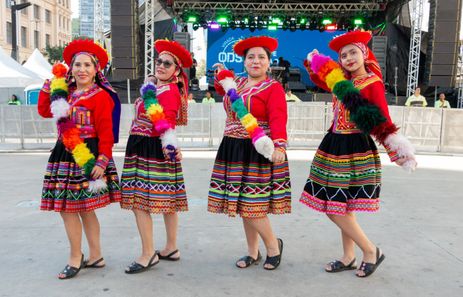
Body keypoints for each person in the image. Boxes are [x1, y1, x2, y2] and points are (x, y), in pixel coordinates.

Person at [302, 31, 416, 278]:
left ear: (364, 53)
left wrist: (398, 152)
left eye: (353, 52)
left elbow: (381, 121)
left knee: (335, 209)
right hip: (333, 144)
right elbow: (320, 79)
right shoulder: (340, 81)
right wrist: (314, 61)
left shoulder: (371, 83)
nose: (349, 58)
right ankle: (348, 256)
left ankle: (371, 250)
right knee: (343, 207)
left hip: (355, 148)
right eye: (343, 55)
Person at [37, 39, 122, 279]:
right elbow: (44, 111)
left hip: (89, 154)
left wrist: (102, 161)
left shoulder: (101, 96)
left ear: (96, 70)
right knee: (69, 209)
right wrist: (51, 83)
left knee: (82, 209)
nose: (81, 69)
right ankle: (86, 255)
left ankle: (85, 256)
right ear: (70, 68)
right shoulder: (67, 92)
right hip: (64, 154)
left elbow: (107, 133)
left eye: (87, 65)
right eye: (77, 65)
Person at [208, 36, 291, 270]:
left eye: (261, 57)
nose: (256, 61)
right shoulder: (238, 83)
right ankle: (252, 252)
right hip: (233, 147)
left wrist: (280, 146)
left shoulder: (273, 88)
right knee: (243, 205)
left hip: (257, 149)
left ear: (268, 62)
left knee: (253, 205)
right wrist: (223, 74)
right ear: (244, 62)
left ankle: (273, 247)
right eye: (251, 57)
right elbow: (221, 88)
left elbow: (278, 117)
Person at [120, 39, 192, 274]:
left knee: (140, 203)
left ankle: (148, 253)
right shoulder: (153, 87)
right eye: (158, 61)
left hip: (153, 148)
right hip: (141, 145)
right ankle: (171, 247)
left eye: (167, 63)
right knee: (167, 202)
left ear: (176, 70)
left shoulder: (170, 91)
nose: (160, 65)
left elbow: (167, 123)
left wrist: (170, 148)